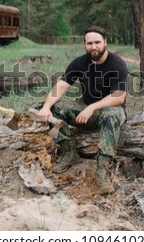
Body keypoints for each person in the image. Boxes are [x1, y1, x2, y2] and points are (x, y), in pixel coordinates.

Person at [38, 26, 128, 195]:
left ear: (105, 42)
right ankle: (69, 151)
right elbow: (61, 86)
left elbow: (119, 97)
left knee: (113, 113)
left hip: (110, 110)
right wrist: (46, 107)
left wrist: (92, 107)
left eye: (97, 42)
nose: (94, 46)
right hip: (85, 108)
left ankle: (102, 170)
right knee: (55, 109)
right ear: (85, 45)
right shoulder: (80, 63)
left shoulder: (117, 64)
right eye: (89, 43)